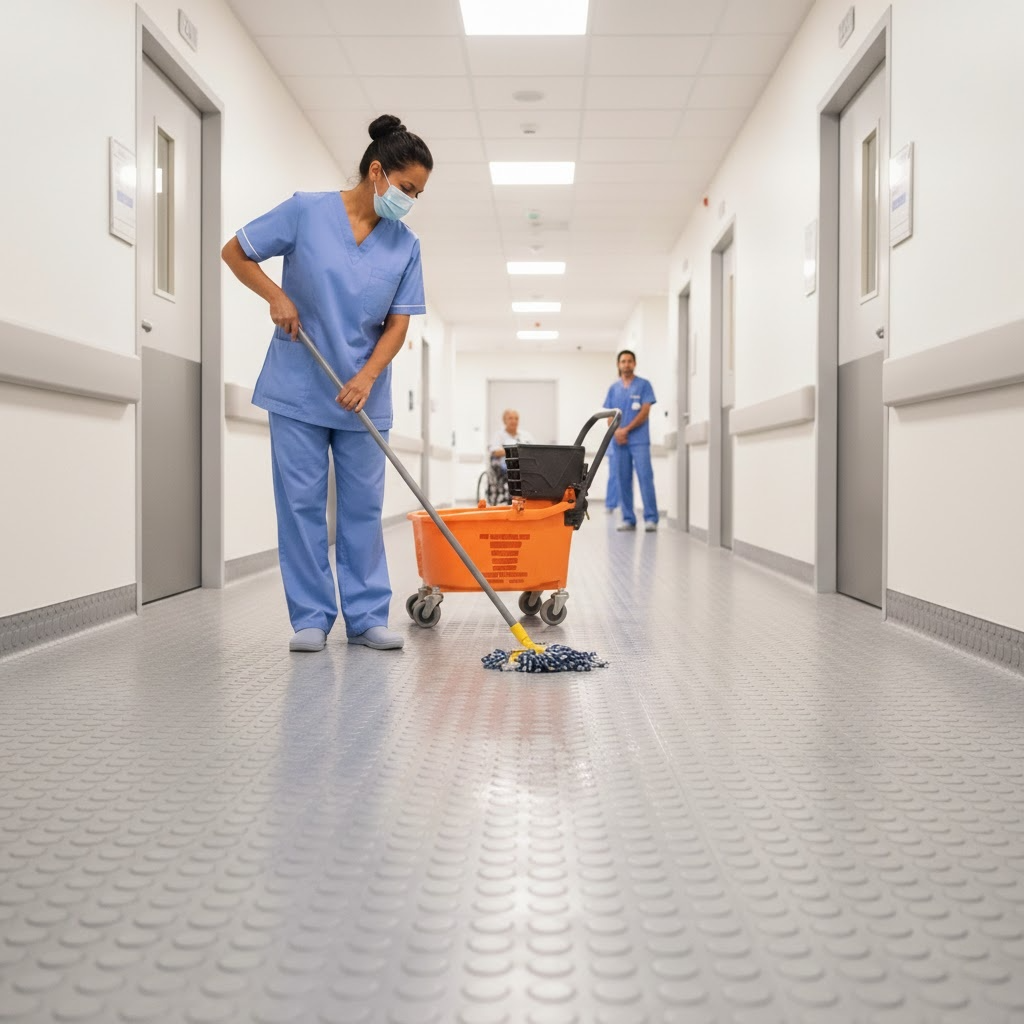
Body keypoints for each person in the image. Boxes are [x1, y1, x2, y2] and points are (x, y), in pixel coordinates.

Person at [221, 114, 432, 653]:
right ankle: (311, 617)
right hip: (299, 384)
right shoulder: (306, 211)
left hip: (364, 393)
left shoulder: (405, 245)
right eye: (407, 188)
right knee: (301, 504)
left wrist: (366, 376)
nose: (410, 200)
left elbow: (399, 323)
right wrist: (275, 294)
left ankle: (366, 617)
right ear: (378, 171)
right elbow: (236, 252)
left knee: (362, 508)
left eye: (418, 193)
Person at [604, 349, 659, 532]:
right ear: (618, 365)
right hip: (619, 441)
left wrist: (626, 429)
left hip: (639, 440)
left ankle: (651, 518)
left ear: (634, 364)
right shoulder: (613, 388)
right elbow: (609, 415)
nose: (626, 364)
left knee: (645, 477)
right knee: (622, 479)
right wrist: (616, 432)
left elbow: (644, 411)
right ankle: (628, 519)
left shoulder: (644, 385)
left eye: (629, 361)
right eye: (623, 361)